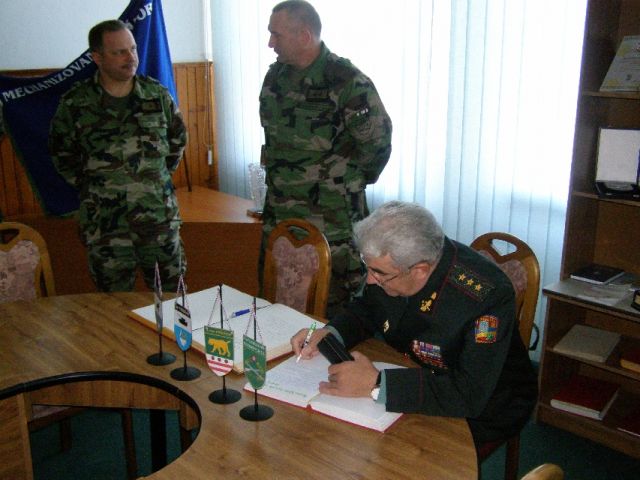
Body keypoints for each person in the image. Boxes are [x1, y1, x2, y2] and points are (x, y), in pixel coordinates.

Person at [292, 201, 538, 447]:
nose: (371, 280)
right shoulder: (395, 263)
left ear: (420, 270)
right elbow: (367, 308)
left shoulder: (487, 300)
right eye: (369, 268)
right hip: (416, 374)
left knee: (389, 454)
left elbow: (469, 393)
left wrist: (377, 384)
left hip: (486, 405)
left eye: (378, 273)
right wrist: (329, 333)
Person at [260, 0, 392, 316]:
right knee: (277, 302)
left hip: (331, 220)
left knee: (335, 307)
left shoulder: (347, 82)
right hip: (281, 214)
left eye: (276, 35)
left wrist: (342, 182)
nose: (270, 43)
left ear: (305, 36)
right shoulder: (275, 78)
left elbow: (376, 145)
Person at [49, 19, 187, 292]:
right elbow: (62, 154)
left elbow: (176, 143)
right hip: (106, 226)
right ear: (97, 57)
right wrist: (98, 187)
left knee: (172, 299)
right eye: (119, 52)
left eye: (132, 49)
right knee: (112, 305)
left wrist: (149, 182)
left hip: (157, 221)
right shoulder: (76, 103)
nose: (130, 57)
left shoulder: (156, 95)